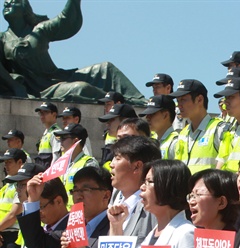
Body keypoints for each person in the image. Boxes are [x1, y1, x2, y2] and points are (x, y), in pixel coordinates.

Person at [0, 0, 145, 104]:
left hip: (57, 79)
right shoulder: (2, 39)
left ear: (25, 9)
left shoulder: (40, 29)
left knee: (106, 69)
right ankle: (119, 102)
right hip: (39, 90)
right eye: (5, 3)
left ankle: (139, 101)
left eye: (14, 2)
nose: (7, 4)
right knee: (80, 88)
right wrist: (15, 86)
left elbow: (65, 20)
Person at [171, 80, 228, 174]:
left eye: (183, 100)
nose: (179, 105)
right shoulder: (183, 134)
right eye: (177, 101)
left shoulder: (219, 129)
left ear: (199, 100)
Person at [54, 123, 99, 207]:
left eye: (63, 138)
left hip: (79, 213)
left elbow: (92, 194)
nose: (60, 142)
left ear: (75, 141)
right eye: (59, 139)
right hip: (63, 214)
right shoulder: (61, 165)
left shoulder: (88, 163)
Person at [98, 103, 139, 171]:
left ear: (125, 121)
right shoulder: (110, 147)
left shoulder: (138, 150)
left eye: (112, 119)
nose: (107, 123)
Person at [139, 95, 179, 160]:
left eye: (152, 114)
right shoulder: (150, 140)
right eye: (147, 114)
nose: (147, 117)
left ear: (165, 115)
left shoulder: (176, 142)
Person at [35, 102, 62, 168]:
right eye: (41, 113)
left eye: (45, 112)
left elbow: (56, 157)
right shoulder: (46, 133)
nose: (42, 115)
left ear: (54, 114)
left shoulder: (56, 133)